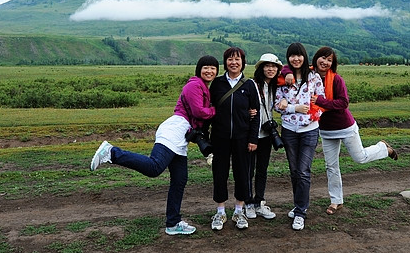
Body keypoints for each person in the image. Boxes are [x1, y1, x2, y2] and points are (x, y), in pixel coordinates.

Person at [89, 55, 219, 236]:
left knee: (180, 179)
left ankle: (173, 223)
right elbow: (199, 111)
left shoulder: (204, 88)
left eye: (213, 68)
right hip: (174, 129)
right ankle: (111, 152)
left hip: (181, 137)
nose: (209, 71)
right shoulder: (194, 85)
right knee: (154, 167)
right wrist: (216, 110)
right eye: (206, 67)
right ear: (199, 69)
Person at [310, 46, 398, 215]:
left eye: (330, 60)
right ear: (316, 58)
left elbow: (343, 103)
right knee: (331, 166)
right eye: (323, 58)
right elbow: (288, 70)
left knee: (360, 158)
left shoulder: (336, 80)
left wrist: (321, 101)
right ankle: (336, 201)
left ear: (333, 64)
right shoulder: (307, 76)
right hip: (326, 129)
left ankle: (383, 149)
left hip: (345, 126)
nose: (325, 62)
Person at [209, 47, 261, 230]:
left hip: (242, 138)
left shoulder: (249, 85)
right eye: (230, 59)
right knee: (220, 173)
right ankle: (220, 212)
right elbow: (209, 110)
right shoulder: (217, 84)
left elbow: (256, 114)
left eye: (237, 59)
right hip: (219, 138)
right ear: (225, 62)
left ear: (243, 62)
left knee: (242, 173)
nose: (234, 62)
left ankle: (239, 210)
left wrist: (253, 138)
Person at [275, 42, 325, 231]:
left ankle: (300, 212)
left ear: (304, 56)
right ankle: (299, 204)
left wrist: (312, 116)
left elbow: (321, 101)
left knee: (303, 171)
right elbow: (276, 106)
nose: (296, 59)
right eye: (292, 56)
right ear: (288, 58)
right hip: (289, 130)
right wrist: (293, 108)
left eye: (299, 55)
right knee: (294, 171)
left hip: (310, 130)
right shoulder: (282, 80)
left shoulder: (313, 77)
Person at [245, 53, 284, 221]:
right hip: (251, 134)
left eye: (274, 66)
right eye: (267, 66)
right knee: (248, 170)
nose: (271, 69)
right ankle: (248, 203)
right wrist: (246, 112)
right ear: (260, 68)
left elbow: (298, 69)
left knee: (262, 170)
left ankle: (259, 201)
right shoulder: (251, 84)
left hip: (266, 135)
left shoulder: (276, 86)